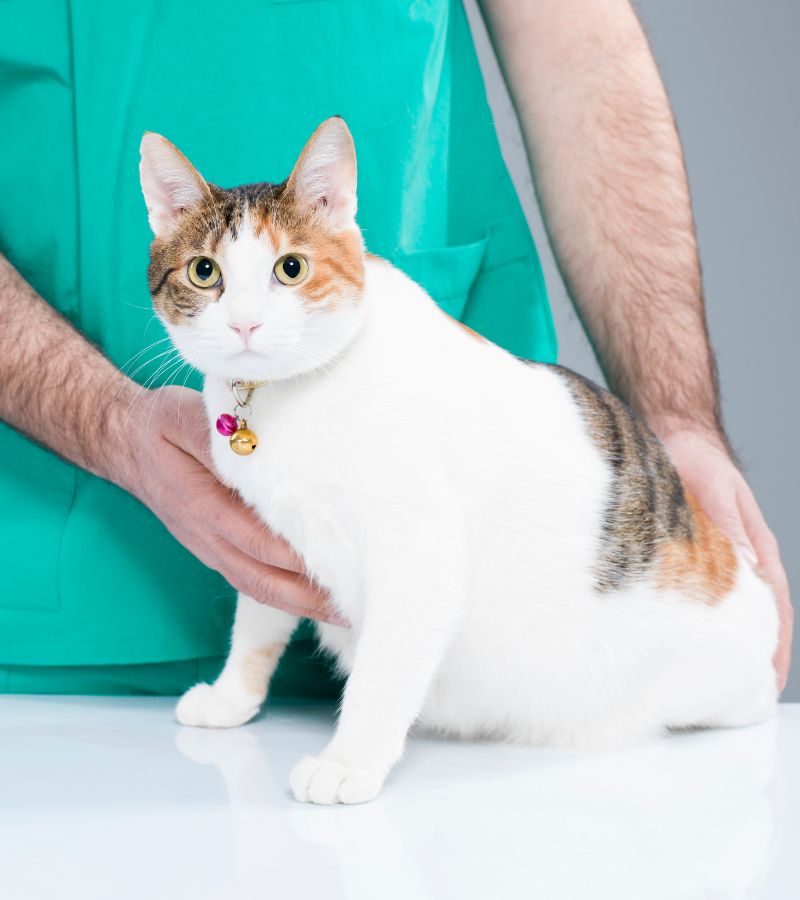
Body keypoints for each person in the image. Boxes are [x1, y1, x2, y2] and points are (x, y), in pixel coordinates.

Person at [0, 0, 791, 696]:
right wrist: (107, 423)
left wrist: (675, 420)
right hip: (63, 598)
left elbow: (577, 41)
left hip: (485, 606)